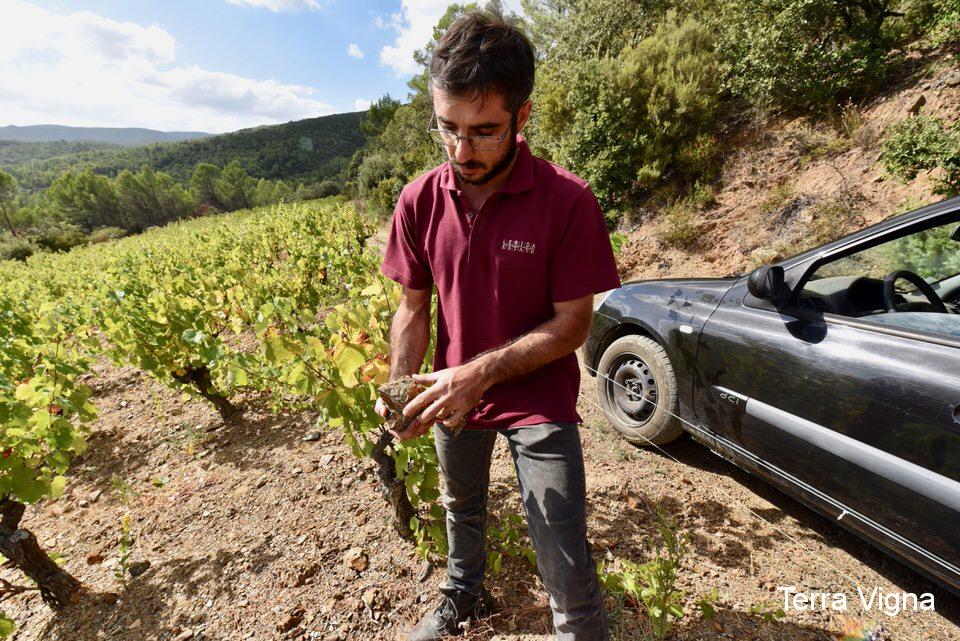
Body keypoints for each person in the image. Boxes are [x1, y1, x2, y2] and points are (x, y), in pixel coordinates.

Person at [375, 7, 621, 641]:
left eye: (484, 131)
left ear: (523, 116)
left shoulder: (568, 200)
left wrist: (479, 373)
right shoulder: (418, 199)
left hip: (536, 397)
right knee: (462, 510)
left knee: (564, 557)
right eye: (447, 129)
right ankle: (464, 592)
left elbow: (572, 326)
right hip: (450, 395)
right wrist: (403, 391)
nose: (463, 151)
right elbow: (412, 306)